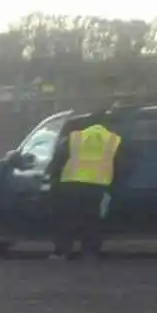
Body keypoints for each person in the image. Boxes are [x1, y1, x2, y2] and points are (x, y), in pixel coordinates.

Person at [45, 111, 125, 259]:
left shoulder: (76, 137)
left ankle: (62, 252)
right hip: (97, 185)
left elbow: (59, 159)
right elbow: (121, 164)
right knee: (92, 220)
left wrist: (52, 176)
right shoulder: (114, 140)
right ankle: (90, 252)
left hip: (71, 183)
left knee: (67, 219)